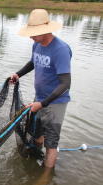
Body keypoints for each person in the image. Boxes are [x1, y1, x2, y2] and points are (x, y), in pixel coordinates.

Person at [10, 9, 72, 170]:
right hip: (39, 99)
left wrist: (42, 104)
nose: (31, 36)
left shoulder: (61, 50)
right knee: (37, 134)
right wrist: (18, 74)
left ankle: (44, 179)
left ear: (45, 30)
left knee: (51, 143)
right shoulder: (37, 44)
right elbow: (33, 62)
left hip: (55, 103)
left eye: (34, 33)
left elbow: (65, 84)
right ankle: (34, 158)